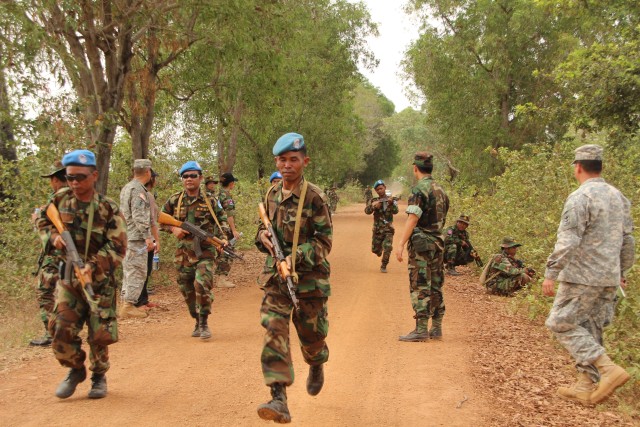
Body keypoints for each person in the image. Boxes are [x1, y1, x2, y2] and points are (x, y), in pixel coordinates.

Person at [542, 144, 635, 406]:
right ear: (600, 167)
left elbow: (568, 240)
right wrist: (621, 271)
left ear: (578, 167)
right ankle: (585, 385)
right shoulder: (619, 197)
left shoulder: (580, 197)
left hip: (582, 276)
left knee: (560, 322)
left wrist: (551, 272)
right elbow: (628, 241)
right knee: (590, 327)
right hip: (609, 277)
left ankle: (607, 368)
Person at [37, 149, 127, 399]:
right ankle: (75, 369)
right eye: (70, 178)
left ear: (94, 175)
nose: (75, 183)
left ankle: (99, 376)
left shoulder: (107, 208)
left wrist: (94, 265)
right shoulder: (60, 200)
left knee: (100, 333)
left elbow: (119, 245)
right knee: (60, 329)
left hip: (99, 281)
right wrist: (53, 238)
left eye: (80, 177)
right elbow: (42, 222)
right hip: (69, 281)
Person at [255, 132, 332, 423]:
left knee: (311, 336)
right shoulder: (271, 194)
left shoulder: (315, 198)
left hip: (309, 282)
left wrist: (295, 257)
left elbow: (325, 242)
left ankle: (316, 361)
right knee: (274, 330)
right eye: (282, 160)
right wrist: (262, 236)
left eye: (294, 160)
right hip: (276, 281)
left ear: (305, 162)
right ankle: (279, 398)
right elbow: (261, 231)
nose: (288, 165)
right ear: (277, 161)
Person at [160, 161, 230, 340]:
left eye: (193, 176)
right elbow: (159, 220)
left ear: (200, 178)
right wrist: (173, 229)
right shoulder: (175, 200)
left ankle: (204, 321)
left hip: (205, 251)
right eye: (185, 176)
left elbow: (222, 220)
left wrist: (222, 238)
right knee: (186, 289)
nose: (189, 179)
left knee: (202, 284)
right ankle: (196, 318)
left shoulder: (211, 200)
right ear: (182, 179)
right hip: (183, 253)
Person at [395, 152, 449, 342]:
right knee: (436, 284)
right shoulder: (441, 190)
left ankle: (420, 329)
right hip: (438, 243)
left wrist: (401, 243)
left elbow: (413, 218)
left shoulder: (419, 190)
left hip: (422, 245)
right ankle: (436, 328)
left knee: (420, 284)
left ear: (415, 168)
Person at [30, 161, 68, 346]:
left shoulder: (54, 201)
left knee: (44, 292)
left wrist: (37, 220)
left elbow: (46, 232)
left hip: (56, 255)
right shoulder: (78, 197)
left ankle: (52, 333)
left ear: (54, 179)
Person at [118, 159, 155, 319]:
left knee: (129, 271)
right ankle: (128, 306)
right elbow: (139, 216)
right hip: (136, 238)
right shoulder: (138, 190)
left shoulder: (127, 188)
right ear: (148, 172)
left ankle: (125, 304)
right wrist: (148, 237)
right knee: (137, 272)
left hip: (127, 236)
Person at [135, 168, 160, 309]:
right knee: (143, 269)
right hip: (146, 238)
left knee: (145, 269)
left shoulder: (144, 194)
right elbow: (151, 221)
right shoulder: (146, 195)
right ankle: (139, 301)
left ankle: (143, 300)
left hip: (143, 238)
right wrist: (156, 240)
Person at [364, 179, 399, 273]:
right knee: (375, 250)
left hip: (388, 228)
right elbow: (367, 211)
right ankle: (379, 250)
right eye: (378, 189)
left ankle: (384, 265)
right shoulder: (373, 200)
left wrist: (391, 204)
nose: (380, 190)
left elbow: (396, 211)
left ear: (385, 188)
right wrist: (375, 207)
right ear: (376, 191)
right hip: (377, 229)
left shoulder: (391, 199)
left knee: (388, 247)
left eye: (381, 188)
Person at [215, 172, 240, 288]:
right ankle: (221, 279)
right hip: (225, 228)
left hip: (216, 227)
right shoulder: (226, 196)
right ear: (231, 183)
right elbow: (229, 214)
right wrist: (234, 230)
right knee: (228, 252)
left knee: (219, 252)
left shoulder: (217, 194)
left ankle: (216, 278)